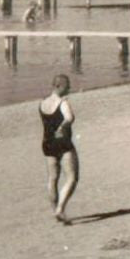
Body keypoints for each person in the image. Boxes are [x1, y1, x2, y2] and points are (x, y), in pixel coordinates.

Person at [39, 74, 80, 224]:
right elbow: (70, 117)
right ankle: (60, 209)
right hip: (62, 142)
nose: (69, 88)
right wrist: (63, 126)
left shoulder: (42, 103)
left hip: (47, 142)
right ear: (60, 86)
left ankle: (55, 209)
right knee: (72, 177)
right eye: (67, 85)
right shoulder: (63, 102)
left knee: (52, 178)